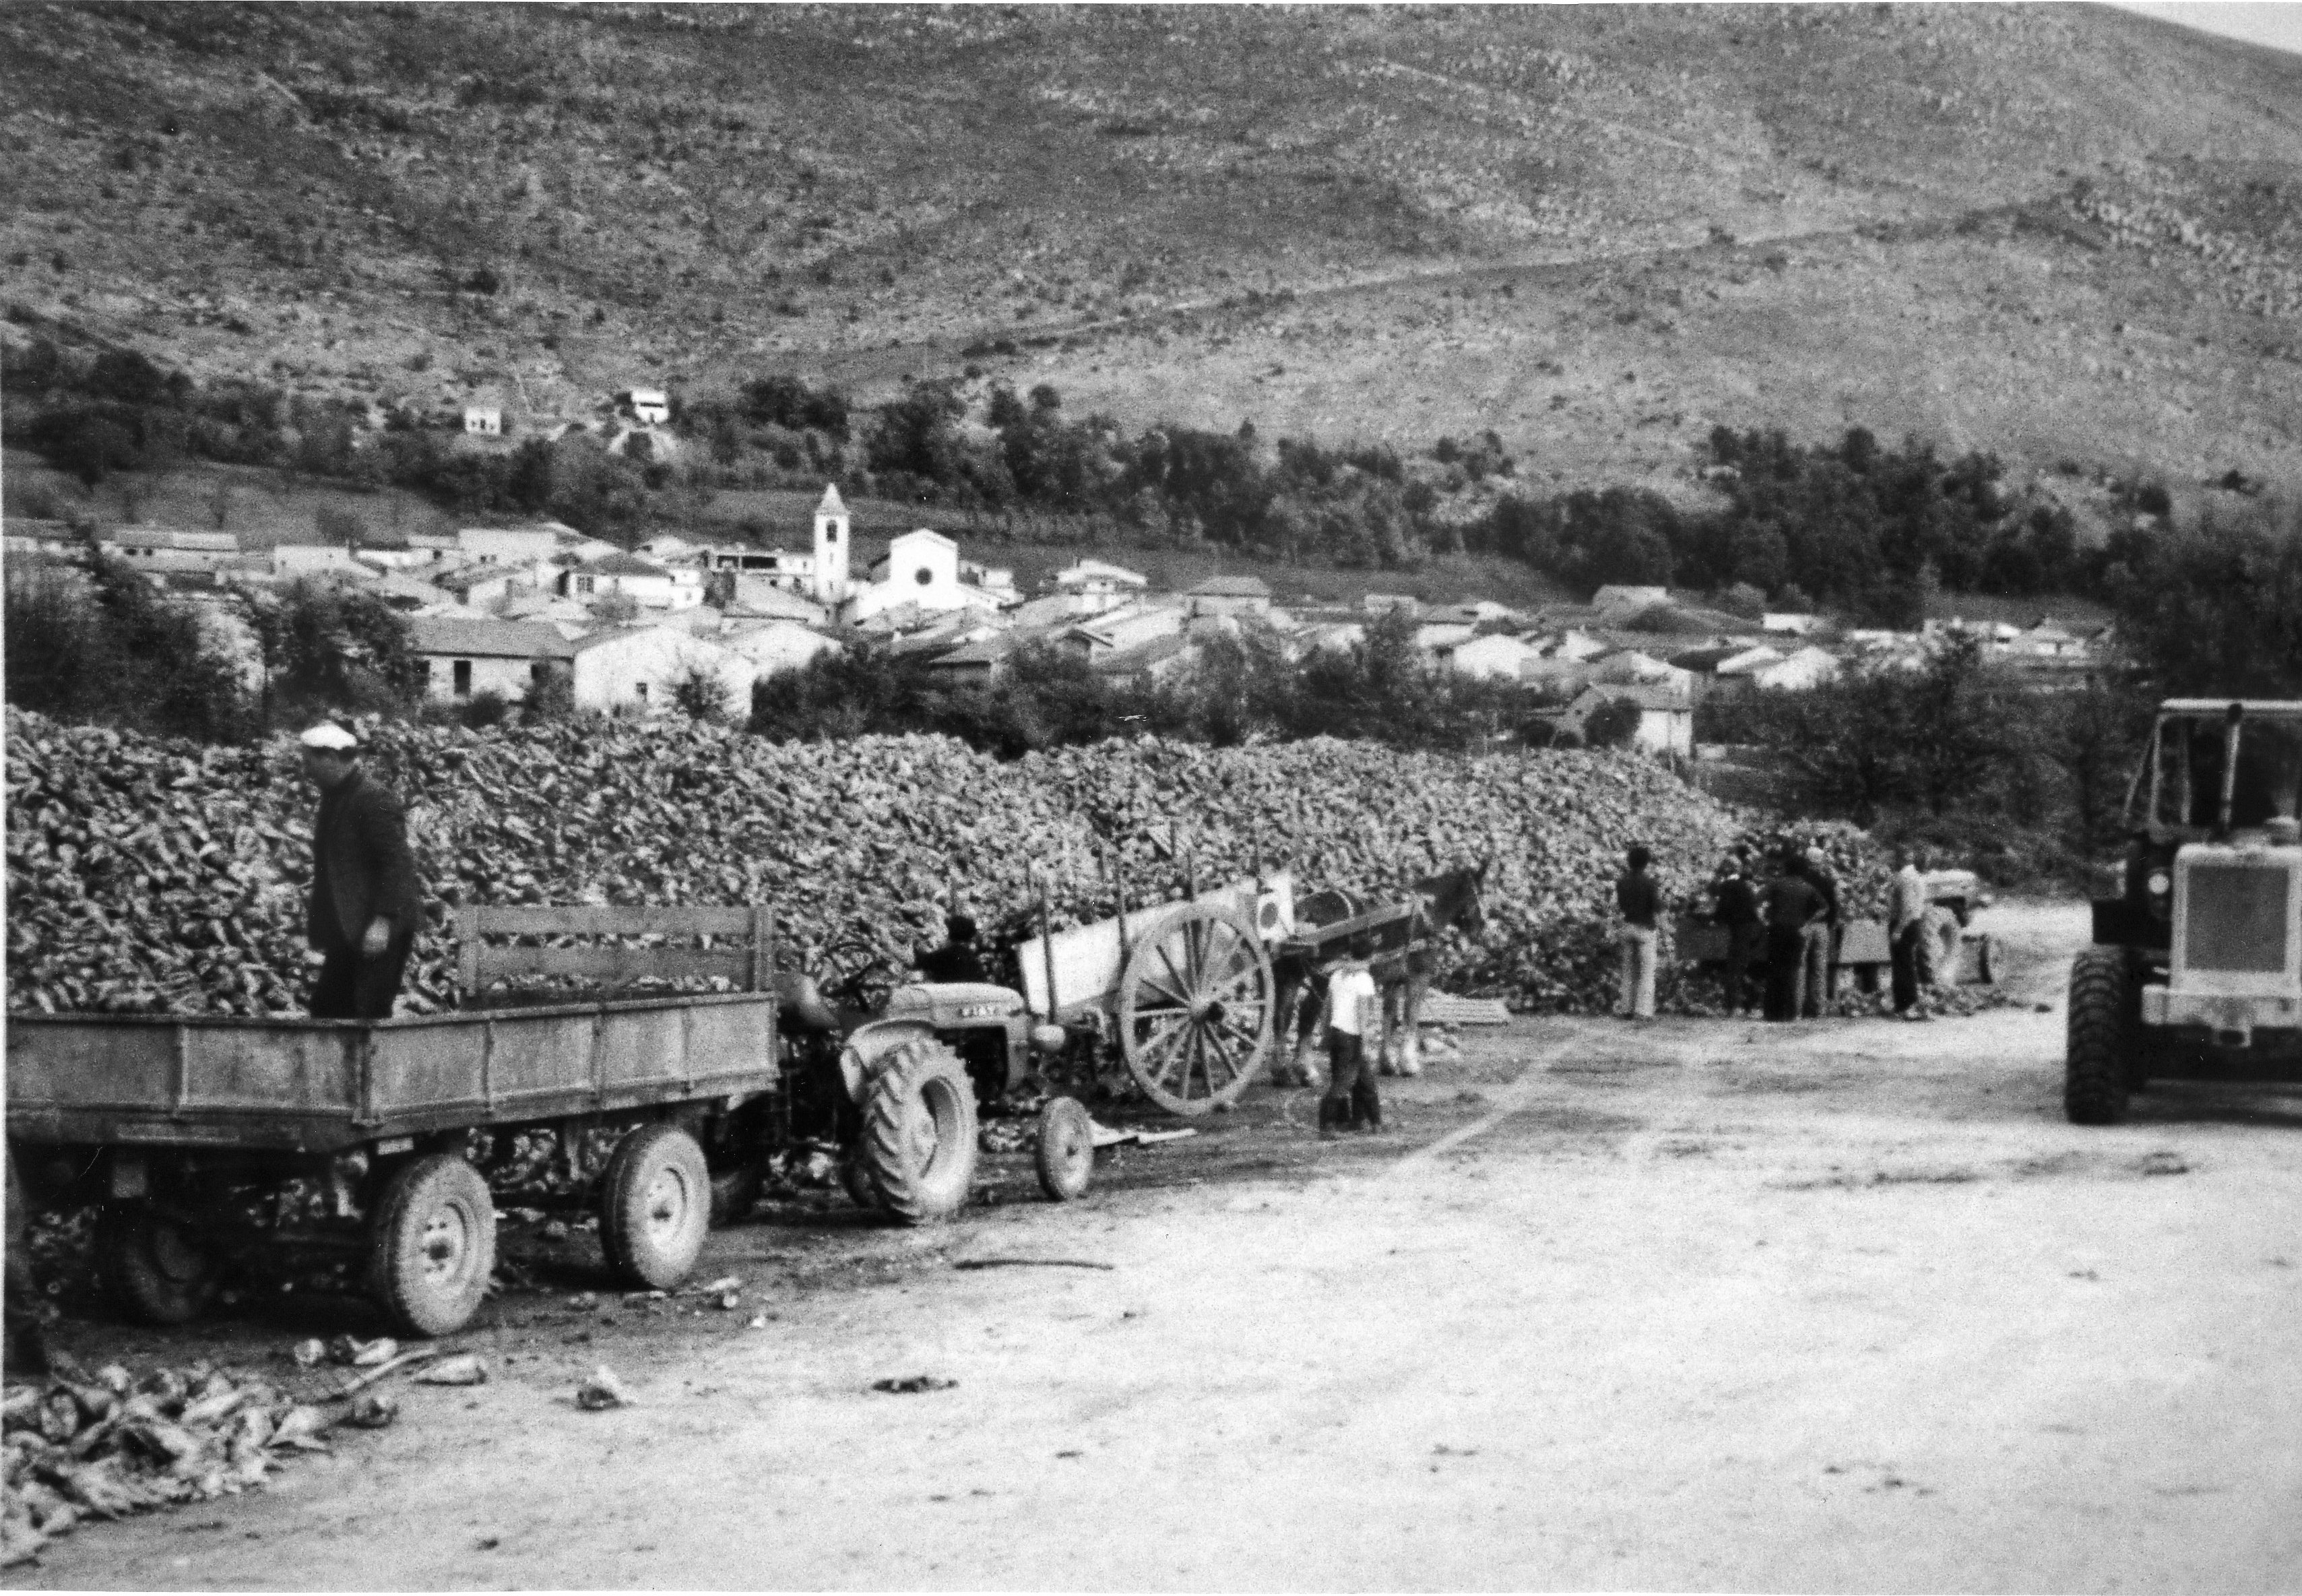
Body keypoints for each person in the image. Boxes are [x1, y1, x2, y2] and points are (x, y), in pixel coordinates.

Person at [300, 722, 424, 1021]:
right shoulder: (336, 796)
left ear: (330, 757)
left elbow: (397, 863)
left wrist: (382, 922)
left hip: (377, 930)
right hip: (349, 928)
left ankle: (368, 1070)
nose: (306, 772)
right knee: (327, 1011)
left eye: (310, 763)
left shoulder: (372, 798)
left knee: (366, 1013)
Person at [1318, 933, 1382, 1137]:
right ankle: (1326, 1125)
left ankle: (1373, 1122)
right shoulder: (1364, 980)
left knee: (1364, 1080)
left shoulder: (1337, 976)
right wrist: (1368, 1044)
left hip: (1337, 1032)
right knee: (1345, 1082)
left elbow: (1327, 1007)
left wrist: (1325, 1033)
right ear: (1371, 957)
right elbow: (1364, 1014)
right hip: (1353, 1036)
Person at [1759, 848, 1826, 1022]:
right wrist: (1808, 923)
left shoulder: (1776, 884)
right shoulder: (1808, 888)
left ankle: (1771, 1012)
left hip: (1776, 930)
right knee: (1792, 971)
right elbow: (1824, 908)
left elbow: (1757, 900)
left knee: (1774, 969)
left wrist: (1764, 920)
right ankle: (1789, 1012)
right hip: (1797, 931)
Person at [1712, 849, 1764, 1017]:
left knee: (1734, 968)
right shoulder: (1744, 886)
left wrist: (1715, 918)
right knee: (1748, 967)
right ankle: (1751, 1004)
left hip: (1741, 930)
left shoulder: (1727, 886)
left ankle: (1734, 1006)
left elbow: (1723, 908)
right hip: (1754, 929)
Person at [1795, 843, 1843, 1019]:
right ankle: (1818, 1008)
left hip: (1803, 926)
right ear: (1820, 862)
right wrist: (1830, 925)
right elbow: (1834, 906)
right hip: (1822, 927)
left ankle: (1798, 1008)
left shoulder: (1801, 881)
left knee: (1800, 966)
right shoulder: (1827, 882)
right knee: (1820, 968)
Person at [1615, 845, 1661, 1021]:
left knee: (1628, 970)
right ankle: (1643, 1011)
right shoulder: (1649, 883)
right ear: (1646, 862)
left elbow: (1621, 905)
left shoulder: (1621, 882)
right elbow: (1657, 907)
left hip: (1627, 926)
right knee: (1646, 972)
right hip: (1645, 927)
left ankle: (1626, 1008)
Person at [1888, 844, 1929, 1013]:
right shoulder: (1917, 876)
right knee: (1907, 963)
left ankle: (1906, 1004)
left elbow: (1907, 908)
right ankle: (1907, 1003)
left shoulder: (1904, 877)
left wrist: (1898, 930)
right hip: (1915, 923)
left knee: (1902, 965)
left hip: (1905, 924)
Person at [916, 912, 990, 984]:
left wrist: (915, 943)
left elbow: (918, 961)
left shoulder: (944, 956)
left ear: (950, 932)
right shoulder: (974, 961)